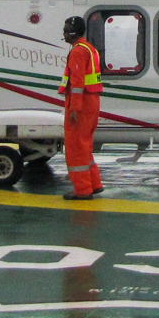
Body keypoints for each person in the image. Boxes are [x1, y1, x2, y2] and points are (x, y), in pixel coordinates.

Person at [57, 15, 104, 200]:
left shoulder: (78, 52)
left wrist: (74, 109)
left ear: (74, 32)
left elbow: (77, 82)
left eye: (66, 29)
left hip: (81, 104)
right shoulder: (90, 49)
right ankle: (94, 183)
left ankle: (83, 189)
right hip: (92, 102)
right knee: (85, 147)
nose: (64, 33)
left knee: (76, 148)